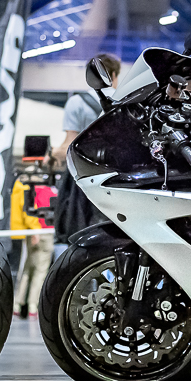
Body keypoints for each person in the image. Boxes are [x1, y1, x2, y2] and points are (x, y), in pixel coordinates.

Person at [53, 52, 118, 247]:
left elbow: (69, 145)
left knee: (83, 236)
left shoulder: (77, 102)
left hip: (84, 180)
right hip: (117, 179)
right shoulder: (125, 101)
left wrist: (52, 155)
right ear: (113, 75)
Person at [10, 139, 56, 318]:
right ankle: (32, 306)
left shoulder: (26, 177)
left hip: (30, 230)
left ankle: (19, 303)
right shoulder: (32, 178)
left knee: (28, 268)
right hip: (37, 229)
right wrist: (35, 228)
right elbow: (27, 206)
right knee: (39, 270)